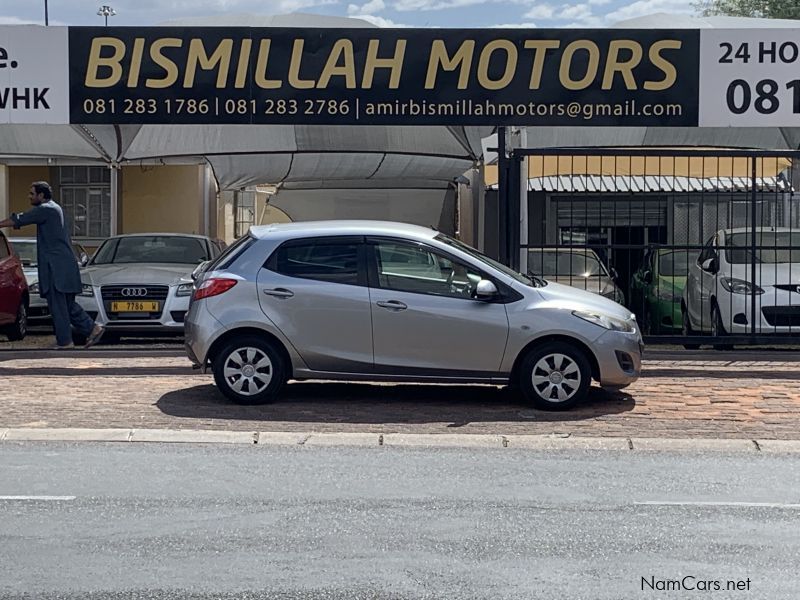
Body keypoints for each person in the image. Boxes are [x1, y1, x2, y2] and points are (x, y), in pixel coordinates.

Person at [0, 181, 104, 349]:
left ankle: (65, 341)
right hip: (66, 266)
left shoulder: (45, 209)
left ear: (41, 195)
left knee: (58, 305)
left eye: (32, 194)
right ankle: (92, 328)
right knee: (67, 305)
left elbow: (19, 219)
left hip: (56, 269)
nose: (29, 196)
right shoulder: (56, 208)